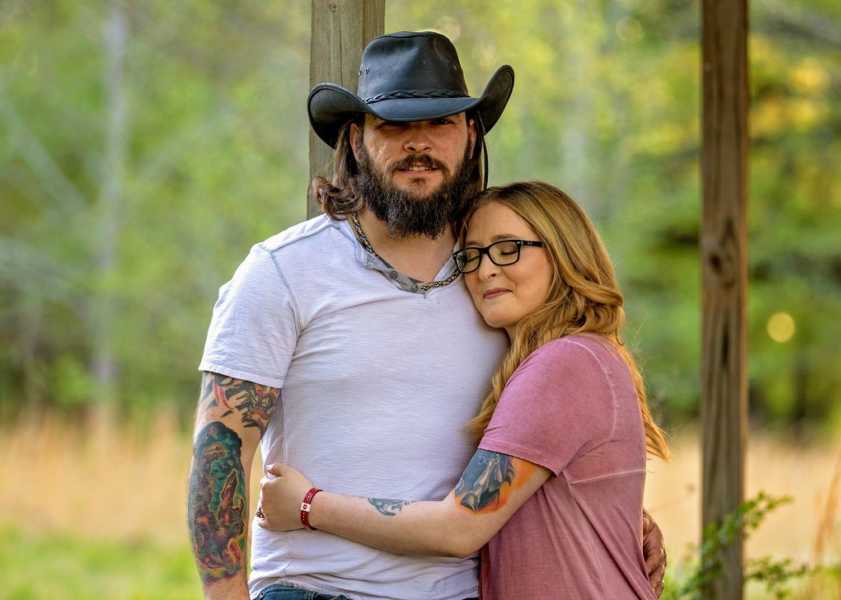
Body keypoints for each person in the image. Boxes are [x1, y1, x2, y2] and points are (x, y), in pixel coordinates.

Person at [187, 31, 666, 600]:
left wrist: (604, 509)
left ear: (469, 135)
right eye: (393, 125)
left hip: (460, 591)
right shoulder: (283, 272)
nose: (419, 144)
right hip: (316, 588)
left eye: (439, 123)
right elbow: (220, 451)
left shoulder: (495, 279)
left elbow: (547, 428)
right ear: (356, 139)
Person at [257, 181, 670, 599]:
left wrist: (307, 505)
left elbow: (460, 526)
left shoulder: (563, 364)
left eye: (508, 248)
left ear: (564, 253)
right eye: (471, 255)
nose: (485, 269)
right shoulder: (582, 357)